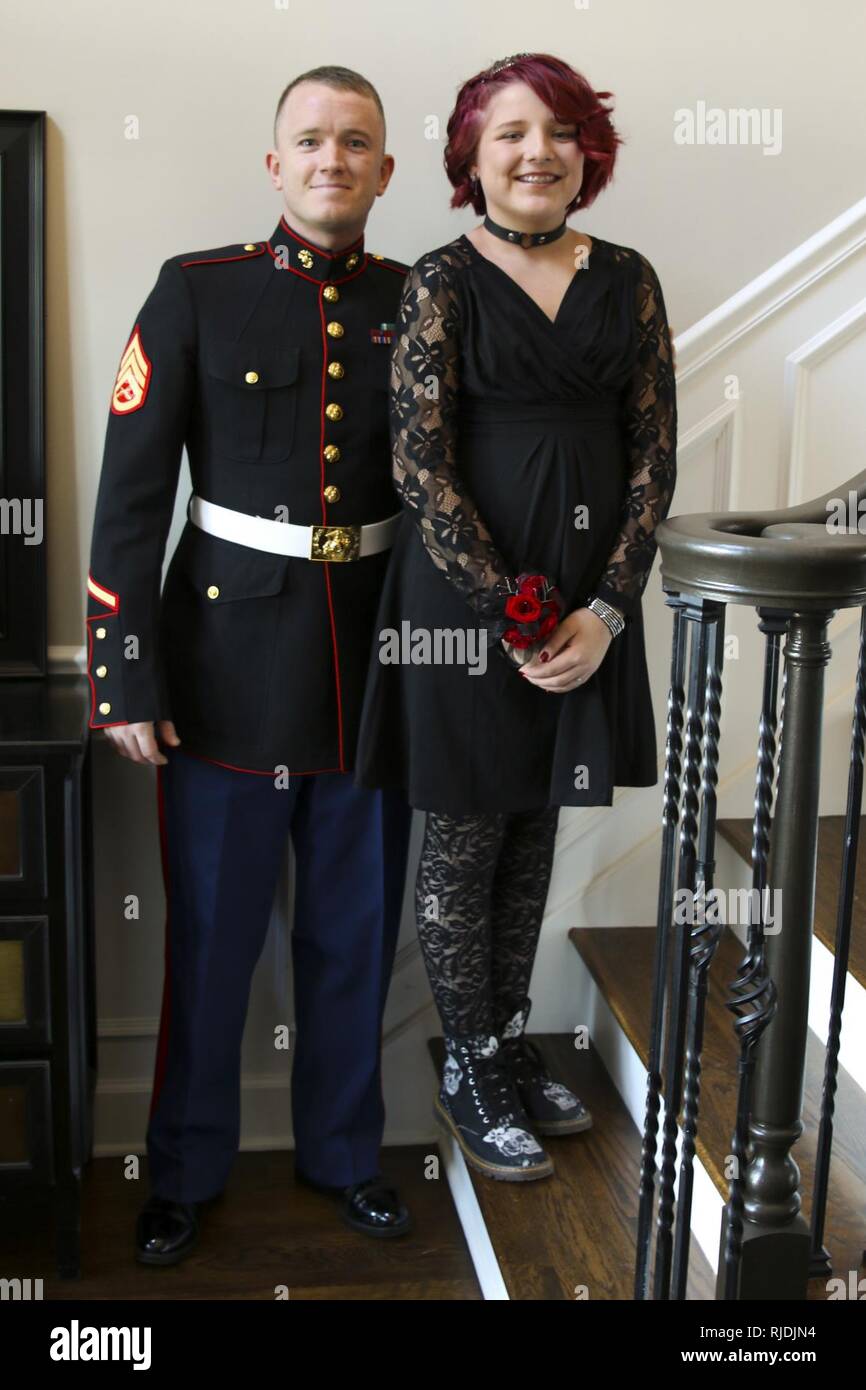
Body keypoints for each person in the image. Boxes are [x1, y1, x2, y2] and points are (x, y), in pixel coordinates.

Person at [85, 66, 415, 1262]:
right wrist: (122, 676)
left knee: (353, 935)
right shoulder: (194, 292)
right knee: (210, 942)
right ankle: (178, 1169)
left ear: (384, 169)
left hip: (372, 676)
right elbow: (130, 498)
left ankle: (344, 1156)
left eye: (357, 143)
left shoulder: (419, 301)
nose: (333, 160)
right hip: (220, 671)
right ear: (275, 164)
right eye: (311, 141)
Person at [354, 53, 678, 1181]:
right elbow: (418, 470)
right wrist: (520, 611)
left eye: (559, 130)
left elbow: (652, 461)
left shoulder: (628, 278)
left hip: (584, 609)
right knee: (463, 832)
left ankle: (495, 1039)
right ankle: (470, 1070)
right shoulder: (438, 280)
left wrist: (600, 610)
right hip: (461, 607)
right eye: (508, 134)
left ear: (586, 150)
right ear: (470, 158)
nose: (535, 151)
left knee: (535, 826)